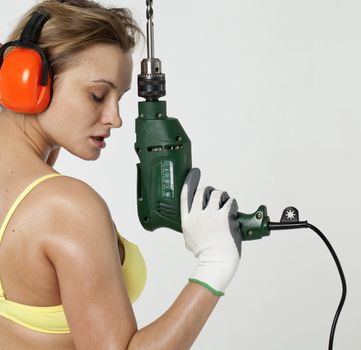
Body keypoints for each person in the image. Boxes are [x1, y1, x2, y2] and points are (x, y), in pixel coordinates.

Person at [0, 1, 242, 349]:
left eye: (119, 98)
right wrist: (214, 266)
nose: (115, 118)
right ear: (28, 81)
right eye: (97, 95)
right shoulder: (66, 207)